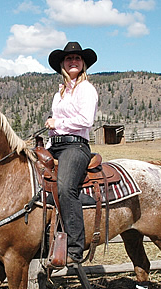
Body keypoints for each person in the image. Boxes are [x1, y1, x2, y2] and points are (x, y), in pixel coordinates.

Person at [44, 41, 98, 264]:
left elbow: (86, 120)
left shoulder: (86, 89)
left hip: (76, 146)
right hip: (55, 145)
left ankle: (75, 247)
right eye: (68, 58)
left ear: (83, 64)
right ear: (62, 65)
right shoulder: (59, 94)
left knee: (66, 187)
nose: (73, 61)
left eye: (77, 58)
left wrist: (58, 122)